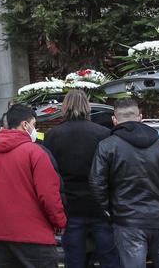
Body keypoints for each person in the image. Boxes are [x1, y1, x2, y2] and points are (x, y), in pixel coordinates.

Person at [89, 98, 159, 268]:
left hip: (127, 220)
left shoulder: (107, 146)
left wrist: (110, 211)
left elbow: (97, 184)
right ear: (140, 117)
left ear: (114, 120)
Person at [0, 103, 64, 268]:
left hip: (0, 235)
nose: (35, 129)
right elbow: (49, 195)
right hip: (35, 236)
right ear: (25, 124)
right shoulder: (36, 152)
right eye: (34, 125)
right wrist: (59, 222)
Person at [43, 90, 120, 268]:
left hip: (70, 206)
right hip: (99, 205)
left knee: (74, 258)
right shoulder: (103, 133)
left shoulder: (53, 135)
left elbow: (50, 173)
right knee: (109, 257)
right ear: (87, 107)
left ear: (65, 107)